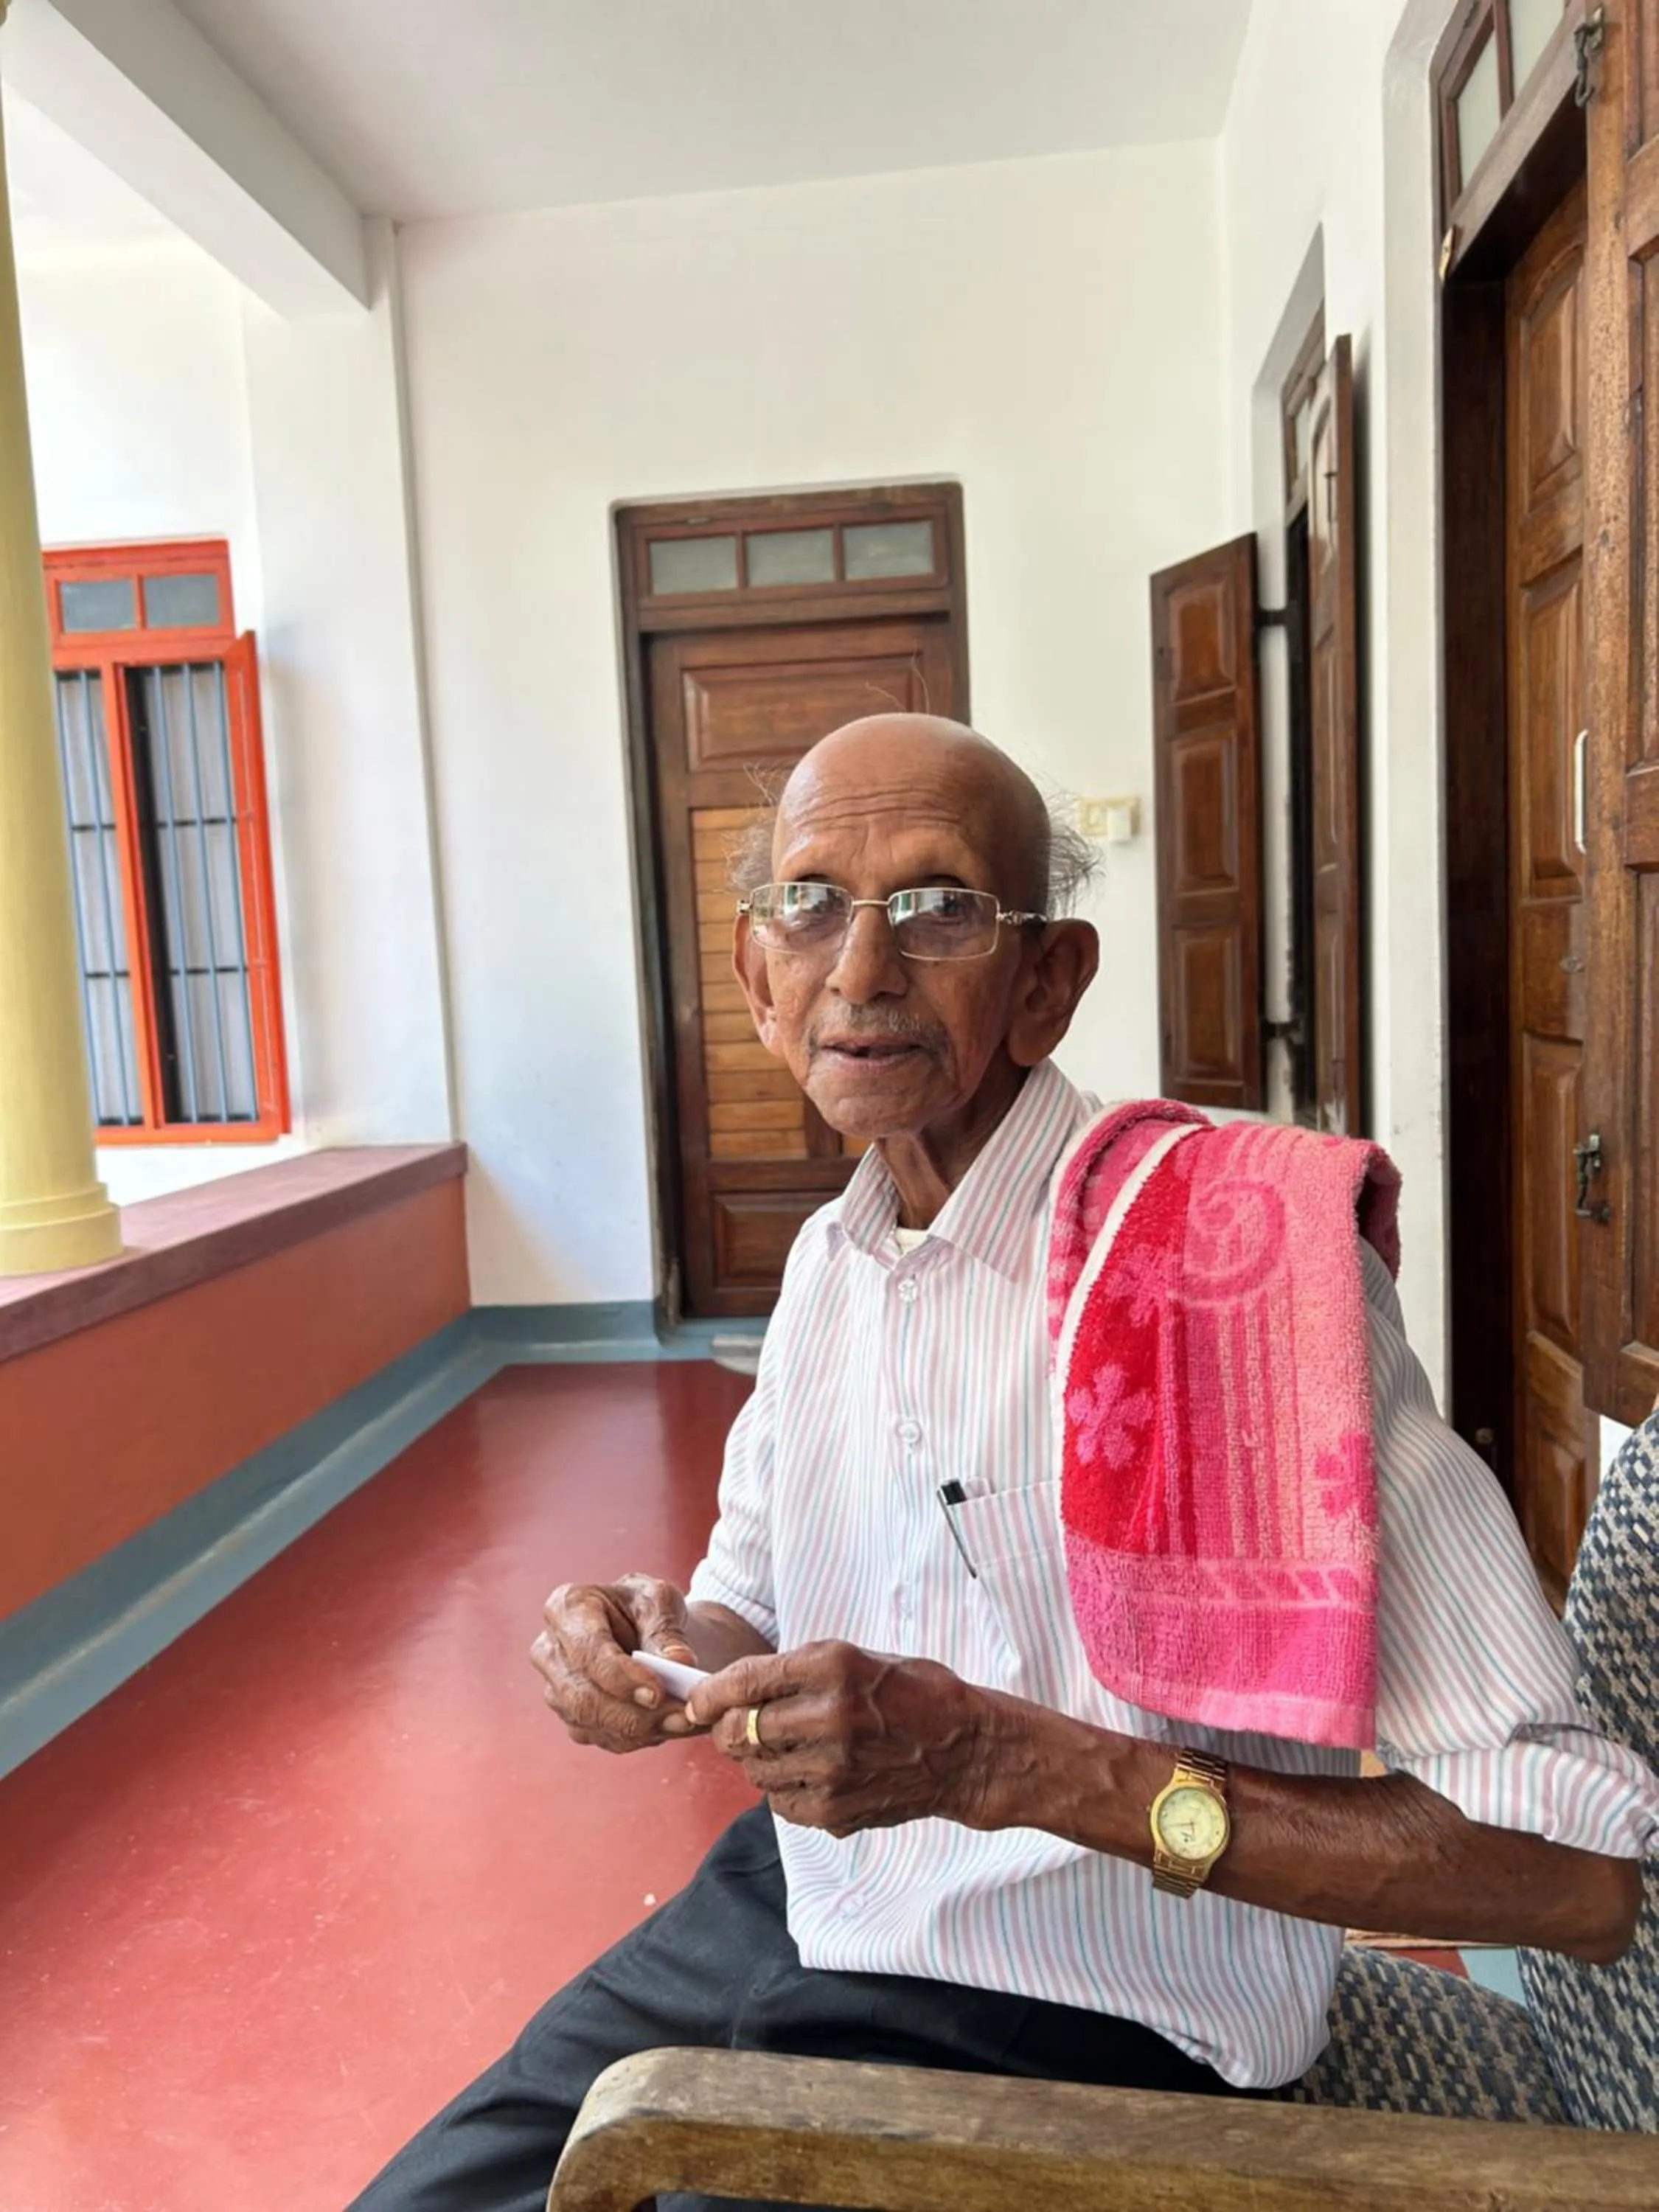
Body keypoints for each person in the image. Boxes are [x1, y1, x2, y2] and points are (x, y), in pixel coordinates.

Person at [352, 716, 1659, 2212]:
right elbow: (745, 1613)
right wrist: (657, 1645)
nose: (862, 969)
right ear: (757, 980)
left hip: (1087, 2011)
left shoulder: (1238, 1281)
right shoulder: (829, 1269)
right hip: (805, 1897)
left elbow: (1563, 1877)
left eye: (939, 907)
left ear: (1050, 981)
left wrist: (1005, 1763)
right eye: (813, 904)